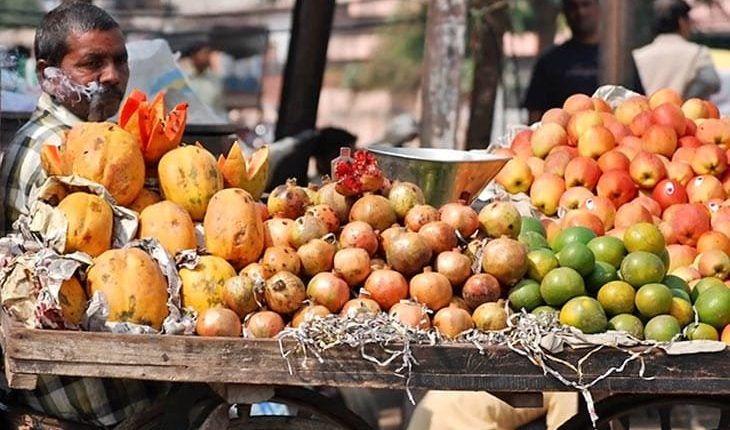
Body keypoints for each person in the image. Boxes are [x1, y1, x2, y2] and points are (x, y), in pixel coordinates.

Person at [0, 4, 220, 428]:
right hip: (86, 394)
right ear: (47, 72)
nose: (113, 75)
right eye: (91, 63)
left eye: (120, 60)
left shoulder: (100, 142)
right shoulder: (51, 154)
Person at [522, 0, 643, 123]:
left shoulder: (619, 59)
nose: (580, 12)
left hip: (615, 137)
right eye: (573, 6)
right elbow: (534, 116)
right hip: (565, 139)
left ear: (598, 8)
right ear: (564, 11)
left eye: (586, 4)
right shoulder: (549, 61)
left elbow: (639, 105)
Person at [632, 0, 721, 99]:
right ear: (682, 22)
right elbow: (711, 81)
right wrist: (686, 99)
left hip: (651, 112)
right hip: (688, 113)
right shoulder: (698, 52)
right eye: (689, 20)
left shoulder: (640, 55)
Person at [179, 41, 227, 118]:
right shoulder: (183, 78)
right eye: (204, 53)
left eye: (208, 53)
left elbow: (219, 107)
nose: (207, 57)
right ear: (193, 55)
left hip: (210, 124)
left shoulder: (215, 80)